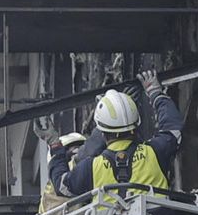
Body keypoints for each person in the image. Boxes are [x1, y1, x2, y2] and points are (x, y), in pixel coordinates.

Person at [51, 69, 184, 198]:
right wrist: (156, 93)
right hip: (158, 213)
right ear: (136, 125)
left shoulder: (91, 168)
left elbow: (62, 186)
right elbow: (173, 129)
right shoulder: (155, 152)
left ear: (102, 132)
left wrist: (54, 143)